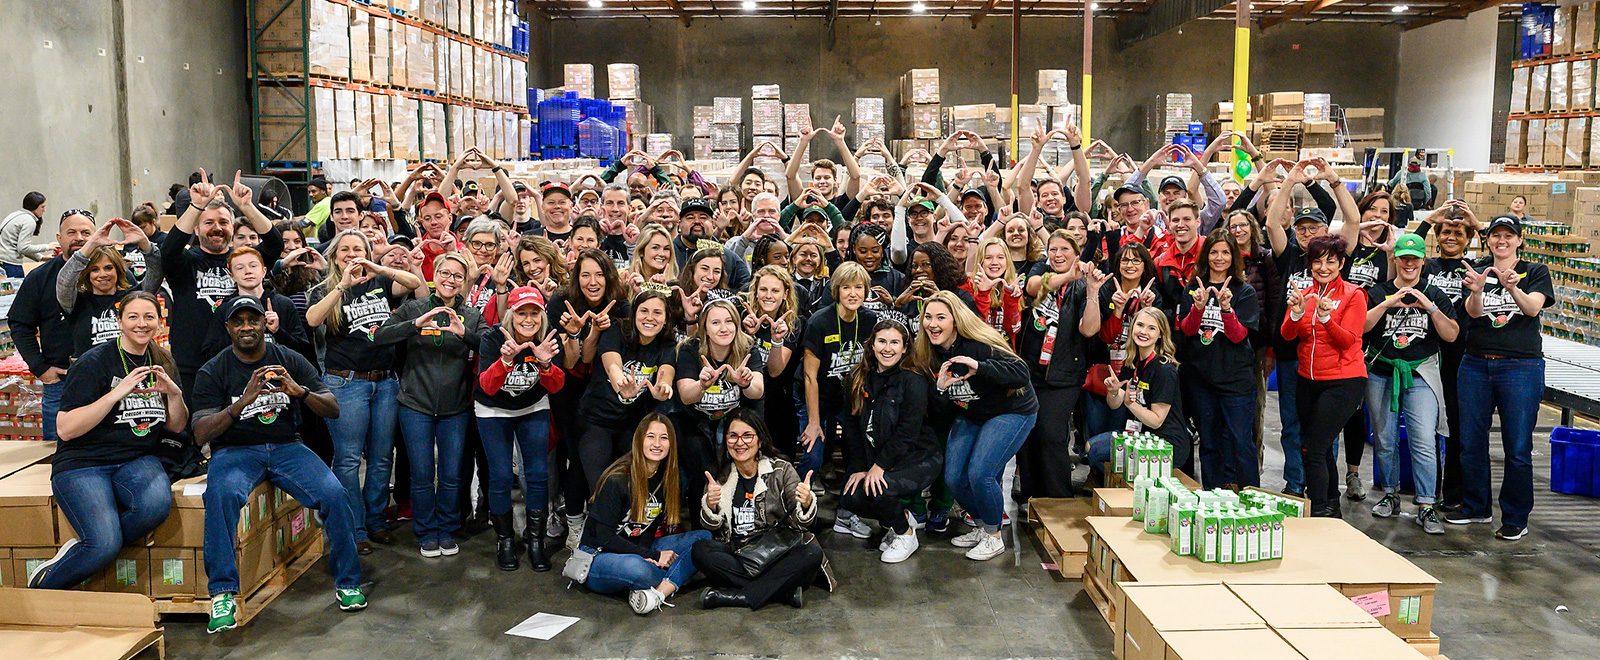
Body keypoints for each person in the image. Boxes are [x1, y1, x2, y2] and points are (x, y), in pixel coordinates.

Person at [190, 296, 361, 633]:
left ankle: (348, 582)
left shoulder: (288, 359)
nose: (246, 327)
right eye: (237, 322)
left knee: (334, 493)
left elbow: (332, 407)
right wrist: (243, 402)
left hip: (286, 447)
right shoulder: (214, 369)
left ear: (263, 324)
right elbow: (200, 433)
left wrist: (300, 393)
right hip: (236, 451)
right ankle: (222, 593)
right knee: (220, 496)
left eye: (252, 320)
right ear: (228, 328)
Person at [27, 293, 185, 589]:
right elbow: (66, 429)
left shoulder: (162, 361)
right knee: (104, 544)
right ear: (119, 322)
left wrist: (175, 395)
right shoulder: (94, 362)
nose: (141, 324)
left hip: (137, 458)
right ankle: (45, 589)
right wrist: (115, 393)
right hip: (84, 464)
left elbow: (176, 426)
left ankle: (82, 550)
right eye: (133, 317)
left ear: (159, 322)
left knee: (154, 507)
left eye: (149, 317)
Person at [305, 229, 424, 553]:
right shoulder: (324, 290)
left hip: (385, 381)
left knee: (382, 457)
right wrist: (342, 285)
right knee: (346, 460)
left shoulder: (382, 283)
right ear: (334, 255)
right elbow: (313, 320)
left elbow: (413, 284)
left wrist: (381, 268)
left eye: (358, 248)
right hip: (346, 383)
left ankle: (376, 519)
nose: (352, 253)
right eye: (345, 249)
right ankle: (354, 528)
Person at [915, 290, 1038, 561]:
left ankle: (994, 536)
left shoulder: (979, 343)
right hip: (970, 413)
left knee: (980, 473)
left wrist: (980, 366)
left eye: (940, 318)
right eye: (928, 317)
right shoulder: (927, 352)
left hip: (1012, 411)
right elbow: (936, 410)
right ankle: (983, 525)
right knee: (954, 478)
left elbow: (1021, 374)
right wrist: (939, 389)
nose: (932, 324)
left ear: (956, 321)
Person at [376, 253, 485, 558]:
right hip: (415, 405)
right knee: (422, 474)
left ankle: (447, 530)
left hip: (456, 409)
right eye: (445, 273)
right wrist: (414, 324)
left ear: (464, 282)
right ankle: (426, 532)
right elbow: (380, 336)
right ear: (434, 275)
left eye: (457, 276)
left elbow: (488, 343)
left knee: (452, 474)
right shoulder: (413, 307)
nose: (450, 280)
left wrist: (464, 333)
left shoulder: (472, 315)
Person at [1453, 215, 1555, 541]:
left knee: (1518, 446)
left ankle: (1514, 517)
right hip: (1476, 364)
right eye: (1495, 235)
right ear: (1488, 240)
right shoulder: (1477, 269)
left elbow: (1532, 309)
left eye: (1508, 236)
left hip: (1520, 368)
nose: (1501, 241)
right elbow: (1471, 312)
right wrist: (1478, 291)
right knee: (1470, 440)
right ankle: (1476, 506)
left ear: (1519, 240)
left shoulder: (1535, 272)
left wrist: (1513, 286)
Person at [1362, 234, 1458, 534]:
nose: (1408, 264)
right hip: (1382, 372)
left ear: (1422, 262)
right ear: (1395, 259)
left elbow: (1452, 335)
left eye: (1414, 259)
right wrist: (1387, 304)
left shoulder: (1434, 293)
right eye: (1403, 258)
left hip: (1421, 374)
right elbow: (1360, 327)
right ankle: (1390, 494)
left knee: (1423, 440)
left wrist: (1429, 307)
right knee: (1385, 438)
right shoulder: (1378, 292)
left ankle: (1427, 504)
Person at [162, 169, 284, 397]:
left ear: (232, 228)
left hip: (242, 361)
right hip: (193, 364)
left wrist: (247, 207)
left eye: (223, 222)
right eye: (208, 222)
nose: (217, 227)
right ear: (196, 229)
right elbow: (169, 250)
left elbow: (275, 244)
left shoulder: (244, 261)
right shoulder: (186, 262)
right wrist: (196, 206)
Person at [692, 408, 828, 609]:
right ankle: (780, 591)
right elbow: (711, 527)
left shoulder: (781, 469)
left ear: (760, 440)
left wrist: (806, 502)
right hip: (739, 553)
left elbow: (802, 522)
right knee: (700, 550)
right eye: (733, 436)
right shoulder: (719, 475)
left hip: (777, 552)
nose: (740, 443)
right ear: (726, 440)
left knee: (811, 554)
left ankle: (738, 597)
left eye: (747, 435)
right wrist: (711, 506)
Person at [577, 413, 712, 615]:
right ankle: (677, 576)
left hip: (638, 548)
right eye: (650, 436)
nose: (657, 443)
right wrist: (653, 556)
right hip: (599, 556)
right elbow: (604, 538)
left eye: (664, 438)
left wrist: (648, 554)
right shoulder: (617, 479)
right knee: (637, 569)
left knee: (704, 539)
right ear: (639, 440)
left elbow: (648, 531)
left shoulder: (666, 478)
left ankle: (657, 592)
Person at [476, 286, 566, 571]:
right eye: (522, 313)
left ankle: (536, 540)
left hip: (532, 408)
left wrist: (545, 363)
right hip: (493, 410)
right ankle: (504, 540)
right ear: (511, 316)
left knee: (538, 474)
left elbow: (557, 385)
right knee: (500, 476)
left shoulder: (548, 341)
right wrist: (505, 361)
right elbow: (486, 386)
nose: (529, 320)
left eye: (534, 314)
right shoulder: (493, 338)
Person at [1281, 235, 1368, 518]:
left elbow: (1349, 340)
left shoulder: (1354, 295)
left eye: (1331, 261)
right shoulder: (1303, 294)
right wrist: (1296, 314)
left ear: (1341, 263)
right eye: (1317, 261)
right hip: (1308, 380)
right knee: (1319, 449)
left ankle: (1318, 512)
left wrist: (1327, 319)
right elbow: (1286, 335)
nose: (1323, 267)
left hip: (1344, 380)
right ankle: (1332, 508)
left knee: (1314, 448)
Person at [841, 319, 941, 563]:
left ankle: (906, 534)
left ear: (905, 347)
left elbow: (908, 432)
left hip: (918, 456)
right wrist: (860, 468)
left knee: (879, 489)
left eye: (895, 342)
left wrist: (879, 467)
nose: (888, 348)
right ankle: (897, 521)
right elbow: (852, 429)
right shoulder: (857, 377)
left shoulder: (913, 380)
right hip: (879, 459)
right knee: (851, 495)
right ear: (872, 346)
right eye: (882, 341)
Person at [1014, 231, 1104, 501]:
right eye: (1053, 249)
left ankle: (1058, 498)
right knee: (1028, 436)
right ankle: (1032, 498)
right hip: (1030, 372)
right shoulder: (1041, 271)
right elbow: (1032, 288)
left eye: (1065, 249)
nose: (1058, 254)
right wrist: (1069, 275)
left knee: (1051, 435)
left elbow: (1089, 330)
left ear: (1077, 254)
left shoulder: (1080, 286)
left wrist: (1091, 292)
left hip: (1064, 376)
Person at [1176, 229, 1260, 489]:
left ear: (1233, 256)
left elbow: (1238, 336)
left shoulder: (1243, 291)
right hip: (1201, 381)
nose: (1219, 257)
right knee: (1209, 443)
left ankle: (1250, 498)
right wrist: (1199, 308)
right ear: (1206, 255)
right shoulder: (1193, 288)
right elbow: (1187, 330)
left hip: (1236, 383)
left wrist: (1226, 309)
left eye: (1225, 252)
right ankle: (1212, 496)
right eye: (1214, 252)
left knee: (1240, 443)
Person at [799, 261, 877, 538]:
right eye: (847, 287)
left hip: (850, 397)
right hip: (816, 395)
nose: (853, 293)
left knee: (859, 451)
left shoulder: (869, 321)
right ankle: (797, 512)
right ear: (837, 290)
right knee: (813, 451)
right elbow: (810, 377)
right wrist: (814, 421)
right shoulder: (820, 321)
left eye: (859, 287)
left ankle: (847, 514)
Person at [579, 289, 678, 496]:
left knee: (635, 483)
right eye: (644, 311)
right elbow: (612, 364)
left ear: (666, 319)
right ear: (634, 314)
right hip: (597, 419)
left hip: (632, 423)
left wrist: (663, 388)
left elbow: (665, 372)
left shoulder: (667, 343)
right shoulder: (617, 330)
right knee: (599, 487)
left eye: (657, 313)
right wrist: (621, 384)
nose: (650, 318)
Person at [8, 210, 95, 441]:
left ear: (96, 236)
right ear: (59, 238)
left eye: (86, 232)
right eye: (71, 232)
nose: (79, 237)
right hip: (60, 384)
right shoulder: (40, 277)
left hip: (107, 383)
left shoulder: (111, 273)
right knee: (55, 460)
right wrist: (40, 369)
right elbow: (19, 324)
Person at [1085, 307, 1193, 486]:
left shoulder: (1164, 369)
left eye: (1151, 328)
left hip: (1166, 444)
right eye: (1140, 325)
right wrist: (1112, 391)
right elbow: (1115, 403)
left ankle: (1126, 491)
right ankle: (1119, 489)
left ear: (1160, 335)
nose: (1143, 332)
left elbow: (1157, 420)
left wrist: (1131, 404)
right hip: (1142, 435)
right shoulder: (1133, 361)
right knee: (1090, 447)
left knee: (1097, 452)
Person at [56, 218, 163, 358]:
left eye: (108, 268)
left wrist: (144, 243)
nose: (102, 274)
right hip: (89, 374)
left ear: (118, 270)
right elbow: (64, 281)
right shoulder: (75, 302)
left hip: (127, 371)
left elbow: (156, 274)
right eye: (94, 269)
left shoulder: (132, 298)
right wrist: (90, 244)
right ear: (87, 274)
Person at [1, 191, 52, 277]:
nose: (44, 210)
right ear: (35, 206)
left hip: (3, 263)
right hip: (10, 265)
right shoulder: (29, 220)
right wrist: (47, 247)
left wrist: (41, 257)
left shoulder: (15, 215)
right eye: (42, 207)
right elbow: (23, 248)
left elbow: (20, 247)